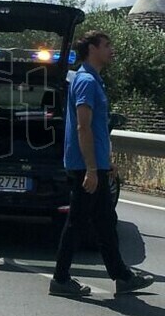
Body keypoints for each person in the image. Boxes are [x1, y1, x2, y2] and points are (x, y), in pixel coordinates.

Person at [49, 31, 154, 297]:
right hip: (85, 166)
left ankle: (122, 276)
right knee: (76, 223)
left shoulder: (94, 80)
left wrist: (105, 162)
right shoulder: (85, 81)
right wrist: (93, 169)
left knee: (105, 222)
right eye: (107, 45)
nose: (111, 50)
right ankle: (60, 279)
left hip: (94, 163)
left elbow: (96, 129)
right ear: (92, 49)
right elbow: (83, 127)